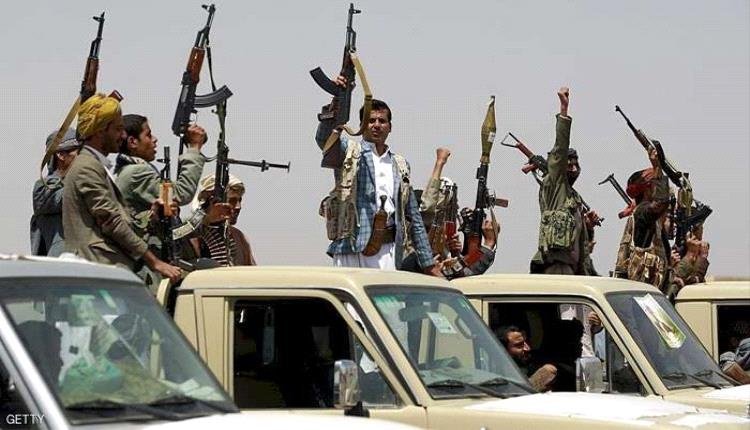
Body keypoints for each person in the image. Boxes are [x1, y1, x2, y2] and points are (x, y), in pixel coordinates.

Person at [315, 76, 438, 276]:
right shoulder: (350, 152)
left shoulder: (400, 164)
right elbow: (323, 139)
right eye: (371, 121)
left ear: (390, 126)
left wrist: (428, 263)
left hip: (388, 249)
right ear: (362, 125)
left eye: (382, 121)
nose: (376, 125)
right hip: (351, 247)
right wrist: (338, 98)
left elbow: (414, 217)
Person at [62, 93, 181, 282]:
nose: (123, 136)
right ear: (100, 131)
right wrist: (155, 262)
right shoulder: (87, 167)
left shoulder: (95, 165)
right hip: (98, 271)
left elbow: (120, 221)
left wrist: (152, 216)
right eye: (118, 129)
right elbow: (112, 224)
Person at [530, 87, 599, 275]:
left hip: (574, 270)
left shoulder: (573, 197)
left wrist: (587, 226)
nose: (574, 169)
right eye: (569, 165)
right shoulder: (555, 185)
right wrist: (563, 111)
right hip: (557, 268)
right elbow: (560, 149)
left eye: (576, 165)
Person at [403, 148, 498, 278]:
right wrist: (489, 243)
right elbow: (463, 275)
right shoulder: (414, 260)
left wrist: (455, 253)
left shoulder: (427, 259)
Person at [114, 114, 207, 214]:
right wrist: (194, 148)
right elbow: (181, 193)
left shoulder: (127, 171)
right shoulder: (136, 173)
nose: (154, 139)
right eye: (148, 135)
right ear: (133, 142)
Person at [616, 149, 671, 291]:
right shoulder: (642, 212)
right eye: (654, 184)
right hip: (643, 293)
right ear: (648, 189)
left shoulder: (646, 215)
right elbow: (661, 203)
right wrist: (657, 166)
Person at [30, 128, 81, 256]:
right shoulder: (43, 187)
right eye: (79, 152)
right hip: (62, 261)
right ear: (61, 155)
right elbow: (67, 197)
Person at [187, 174, 256, 266]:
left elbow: (251, 271)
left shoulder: (239, 237)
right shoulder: (191, 234)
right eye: (232, 201)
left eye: (239, 200)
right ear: (213, 202)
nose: (238, 207)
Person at [497, 325, 557, 392]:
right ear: (503, 349)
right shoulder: (499, 374)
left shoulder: (531, 362)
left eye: (526, 342)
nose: (527, 348)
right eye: (519, 345)